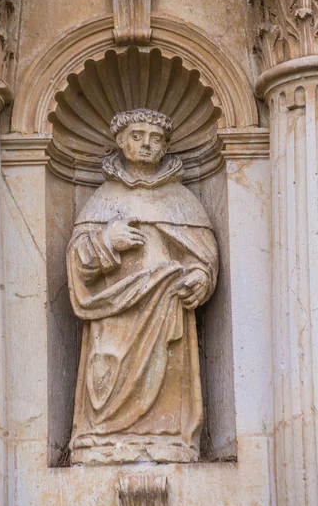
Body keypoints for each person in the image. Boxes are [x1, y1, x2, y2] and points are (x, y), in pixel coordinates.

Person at [67, 109, 219, 464]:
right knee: (106, 367)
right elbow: (76, 262)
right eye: (137, 136)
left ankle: (168, 435)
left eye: (155, 138)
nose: (146, 144)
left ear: (166, 146)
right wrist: (106, 240)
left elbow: (203, 256)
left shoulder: (181, 201)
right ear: (120, 142)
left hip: (167, 311)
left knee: (166, 370)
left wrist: (201, 277)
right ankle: (101, 435)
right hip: (113, 314)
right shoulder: (103, 199)